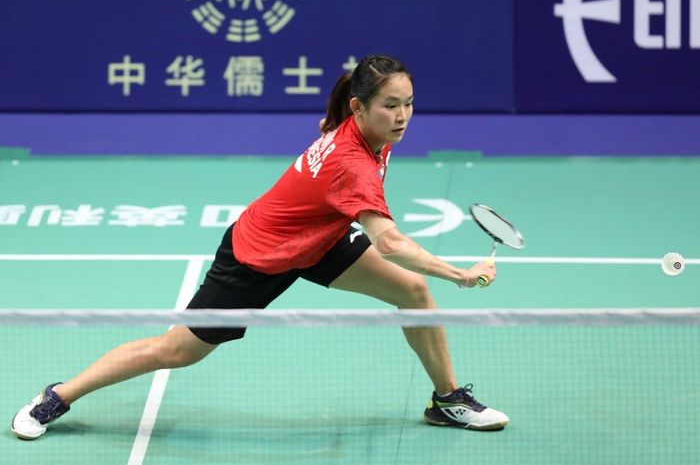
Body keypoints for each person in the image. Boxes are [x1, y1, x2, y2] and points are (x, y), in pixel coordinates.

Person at [11, 55, 508, 440]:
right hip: (259, 256)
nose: (402, 116)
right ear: (359, 108)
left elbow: (337, 141)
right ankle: (57, 395)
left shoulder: (365, 128)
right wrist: (460, 274)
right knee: (175, 350)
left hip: (319, 241)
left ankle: (447, 401)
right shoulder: (351, 163)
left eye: (408, 103)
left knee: (414, 294)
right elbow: (392, 242)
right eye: (390, 106)